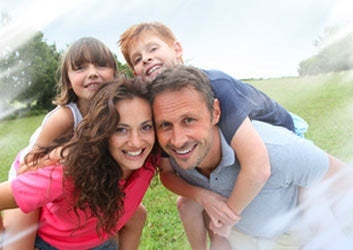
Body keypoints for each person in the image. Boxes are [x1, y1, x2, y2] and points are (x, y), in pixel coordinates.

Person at [118, 21, 309, 249]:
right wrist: (203, 196)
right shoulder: (158, 109)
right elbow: (168, 173)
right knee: (188, 204)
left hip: (281, 136)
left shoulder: (215, 87)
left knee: (304, 212)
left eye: (152, 49)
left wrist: (226, 218)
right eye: (137, 59)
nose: (146, 58)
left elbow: (258, 166)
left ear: (177, 49)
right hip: (229, 155)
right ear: (136, 73)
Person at [149, 65, 353, 250]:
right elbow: (188, 201)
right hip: (243, 237)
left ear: (216, 112)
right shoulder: (180, 160)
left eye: (189, 120)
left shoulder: (279, 149)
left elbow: (345, 179)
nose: (177, 140)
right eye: (165, 125)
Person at [1, 37, 142, 250]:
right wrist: (67, 152)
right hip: (32, 176)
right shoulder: (65, 118)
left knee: (133, 214)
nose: (92, 72)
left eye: (101, 65)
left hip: (69, 179)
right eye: (80, 68)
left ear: (115, 73)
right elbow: (28, 166)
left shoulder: (117, 112)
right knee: (19, 242)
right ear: (68, 80)